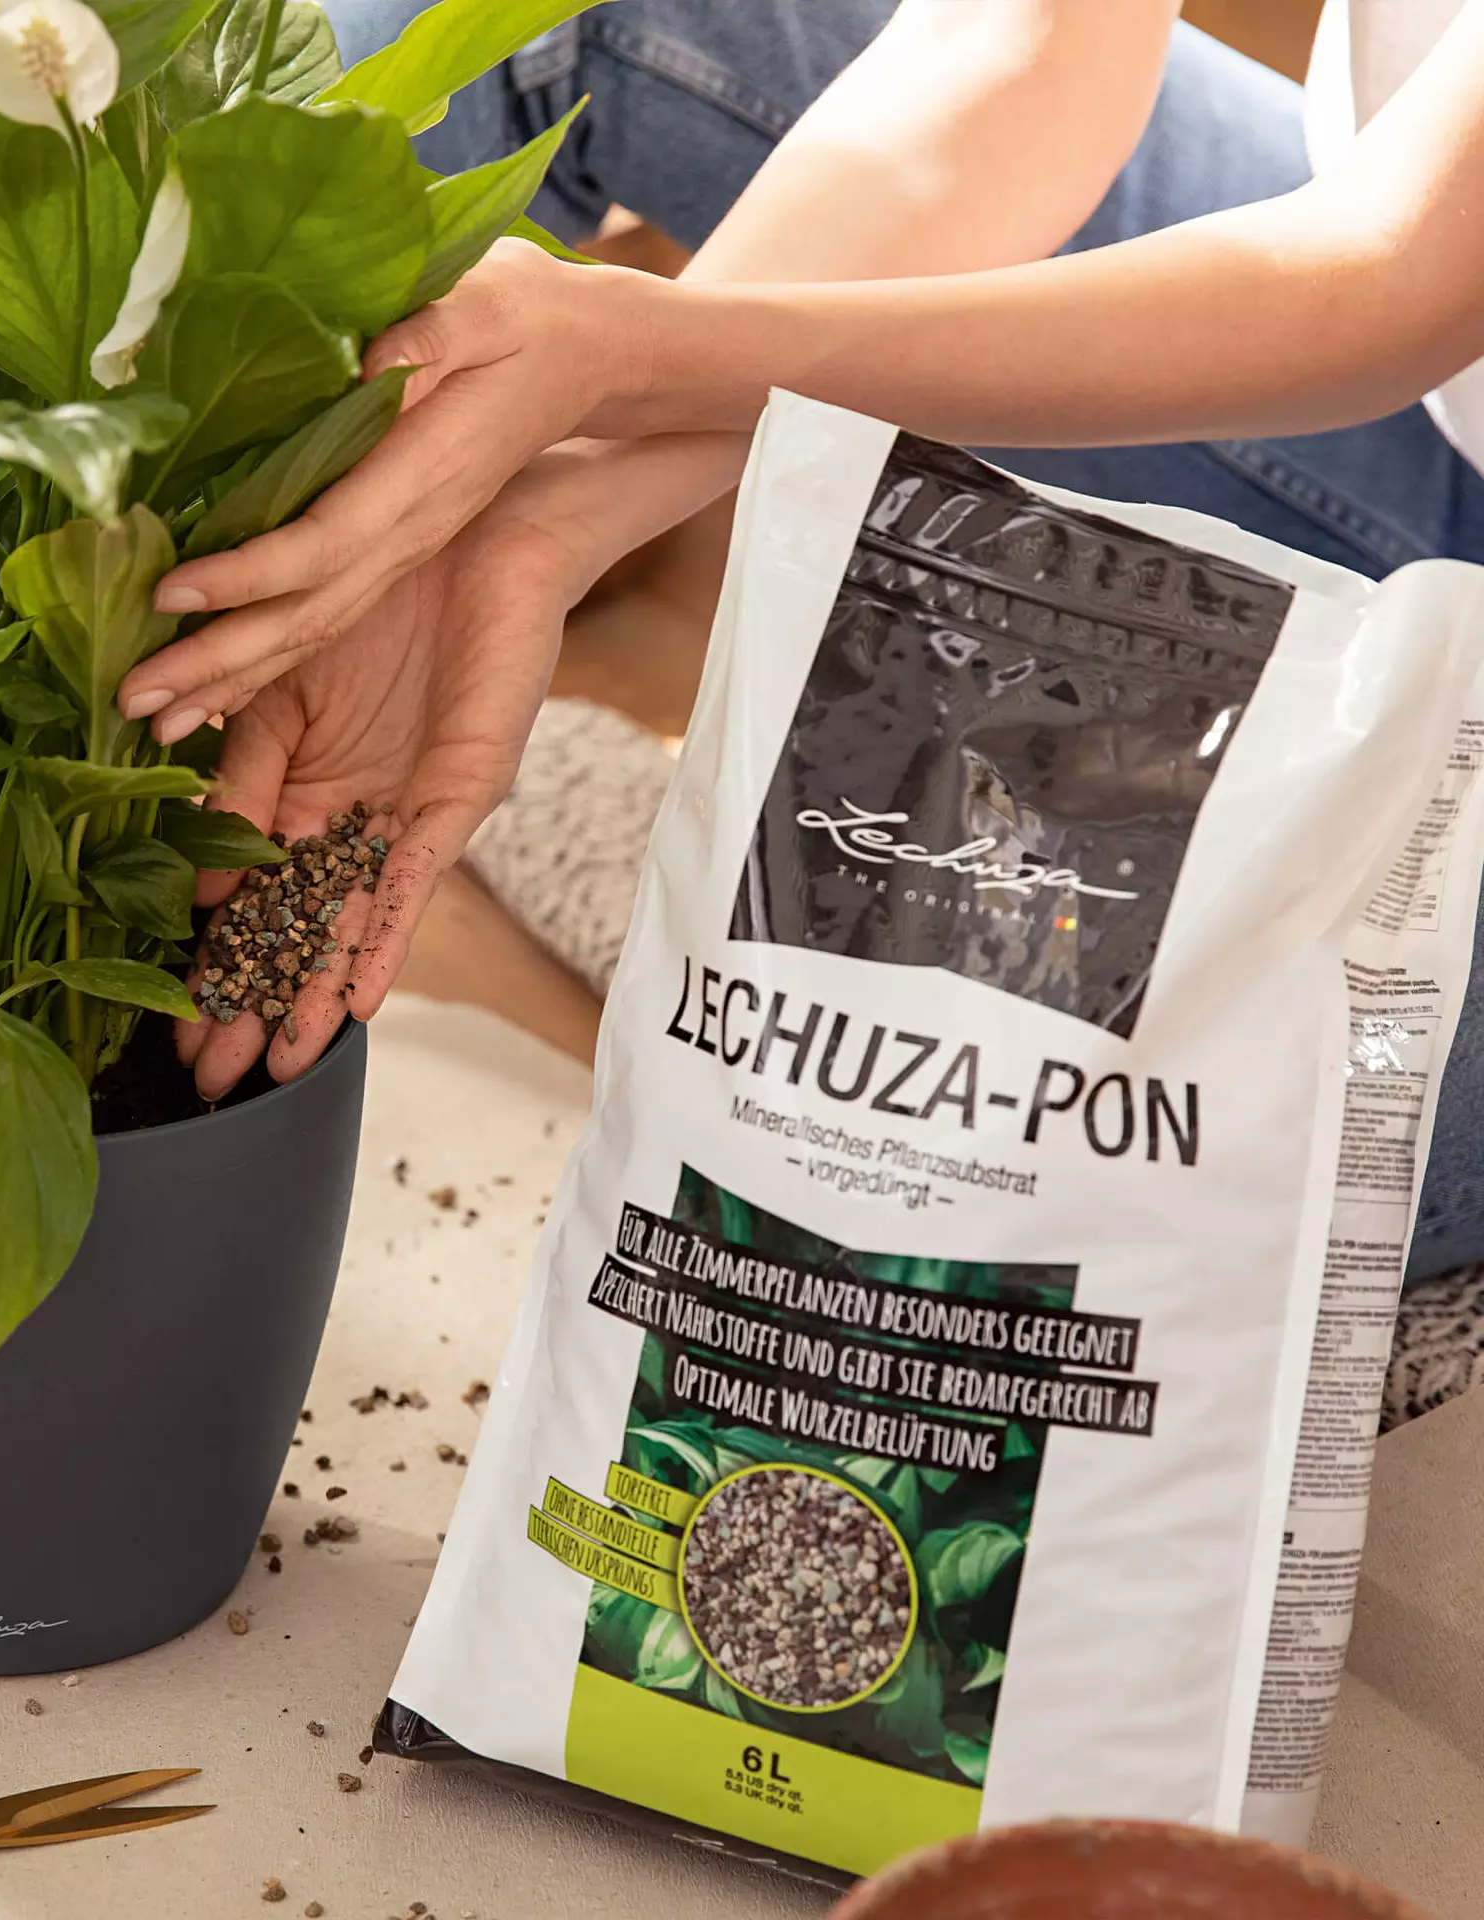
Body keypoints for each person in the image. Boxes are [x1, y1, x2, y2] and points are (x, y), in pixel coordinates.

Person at [124, 0, 1484, 1289]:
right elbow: (1020, 48)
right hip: (1429, 423)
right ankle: (115, 731)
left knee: (1140, 1142)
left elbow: (1398, 277)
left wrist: (627, 359)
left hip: (1395, 299)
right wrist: (541, 521)